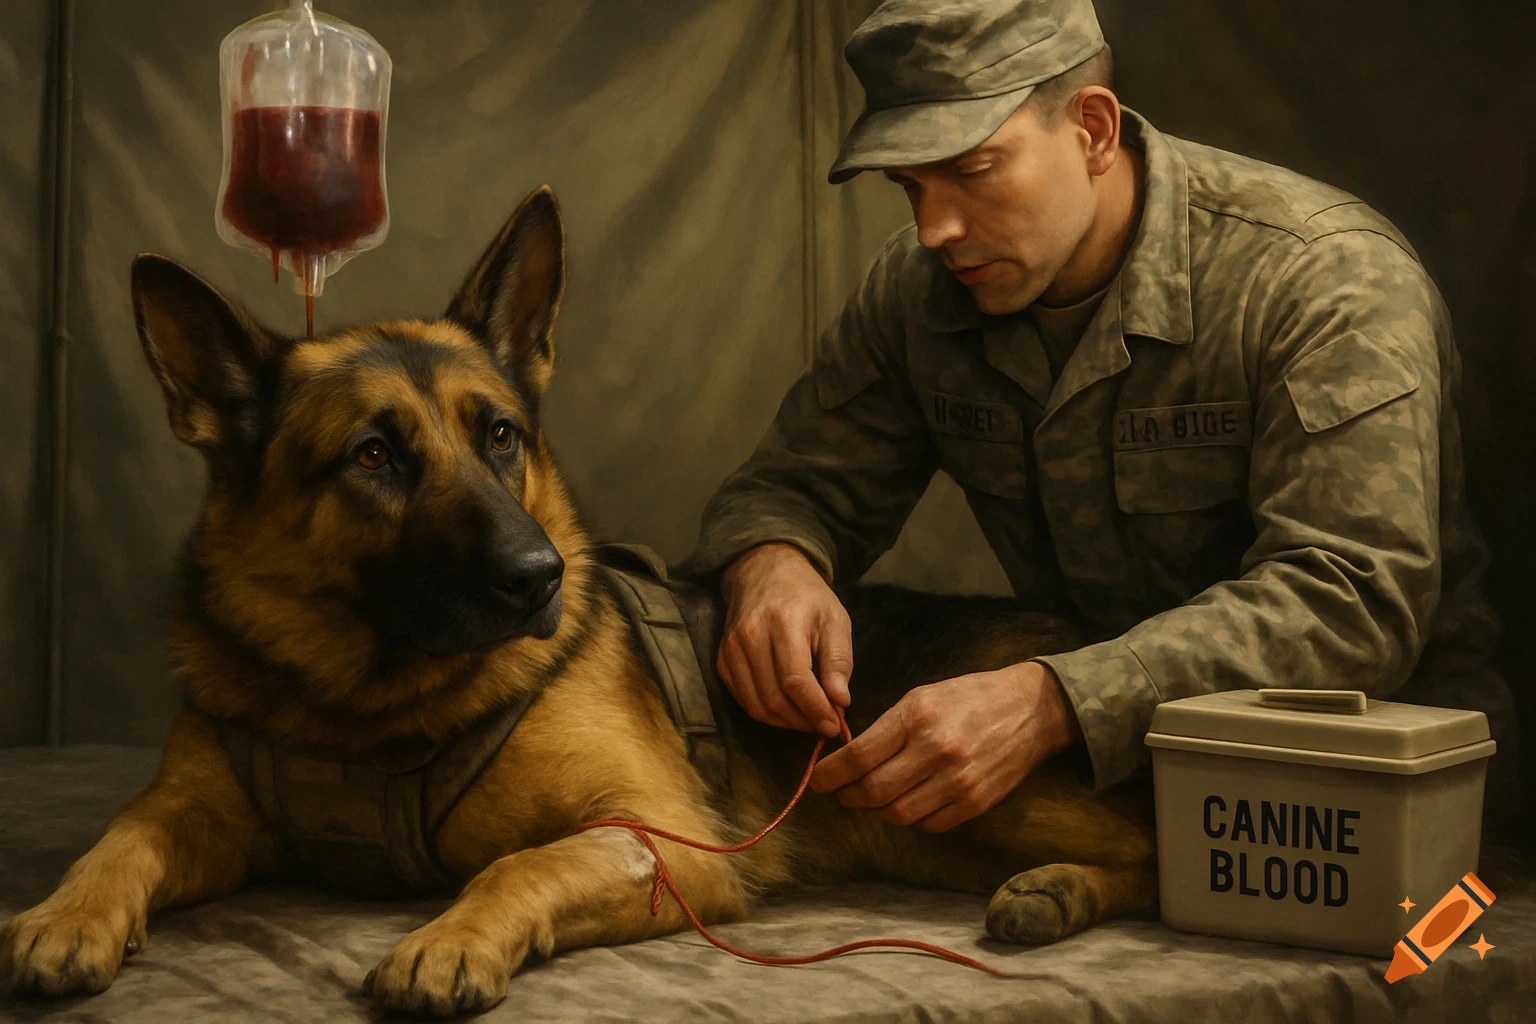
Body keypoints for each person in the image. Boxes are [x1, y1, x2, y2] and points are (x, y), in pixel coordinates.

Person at [680, 0, 1521, 836]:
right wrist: (773, 564)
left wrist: (1051, 700)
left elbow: (1352, 600)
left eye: (972, 170)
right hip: (1127, 801)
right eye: (910, 185)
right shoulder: (919, 292)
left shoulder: (1324, 280)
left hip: (1379, 809)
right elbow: (792, 488)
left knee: (1420, 957)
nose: (934, 228)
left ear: (1092, 130)